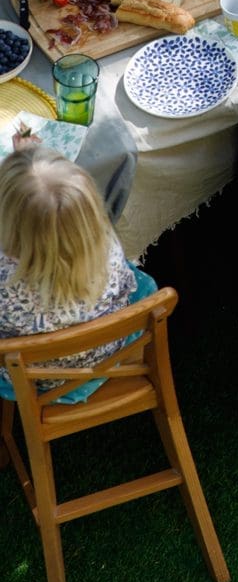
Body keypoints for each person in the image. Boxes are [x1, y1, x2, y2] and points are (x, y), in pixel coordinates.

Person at [0, 139, 155, 399]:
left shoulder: (5, 282)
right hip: (107, 353)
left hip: (36, 380)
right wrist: (29, 159)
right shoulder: (106, 243)